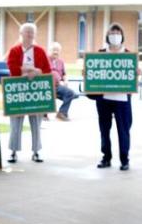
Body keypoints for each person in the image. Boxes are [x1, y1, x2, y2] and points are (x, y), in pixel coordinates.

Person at [88, 23, 136, 171]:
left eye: (117, 32)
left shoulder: (129, 55)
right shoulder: (101, 53)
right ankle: (106, 158)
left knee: (123, 130)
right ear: (108, 36)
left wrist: (137, 73)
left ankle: (124, 159)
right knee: (104, 129)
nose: (115, 35)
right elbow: (93, 72)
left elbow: (132, 77)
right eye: (112, 32)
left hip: (122, 99)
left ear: (122, 36)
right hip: (104, 99)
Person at [6, 22, 51, 163]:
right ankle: (13, 152)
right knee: (15, 124)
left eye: (32, 32)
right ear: (21, 34)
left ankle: (36, 151)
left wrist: (38, 72)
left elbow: (47, 70)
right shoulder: (14, 50)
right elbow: (12, 67)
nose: (30, 35)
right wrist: (26, 71)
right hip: (18, 91)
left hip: (35, 92)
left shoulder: (40, 51)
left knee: (36, 124)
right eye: (27, 32)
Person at [49, 41, 80, 121]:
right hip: (48, 86)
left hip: (58, 86)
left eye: (57, 50)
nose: (55, 52)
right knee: (70, 94)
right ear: (50, 50)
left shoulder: (61, 62)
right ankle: (46, 113)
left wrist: (66, 80)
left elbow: (64, 74)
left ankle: (62, 113)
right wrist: (58, 80)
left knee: (71, 93)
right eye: (54, 50)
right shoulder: (45, 60)